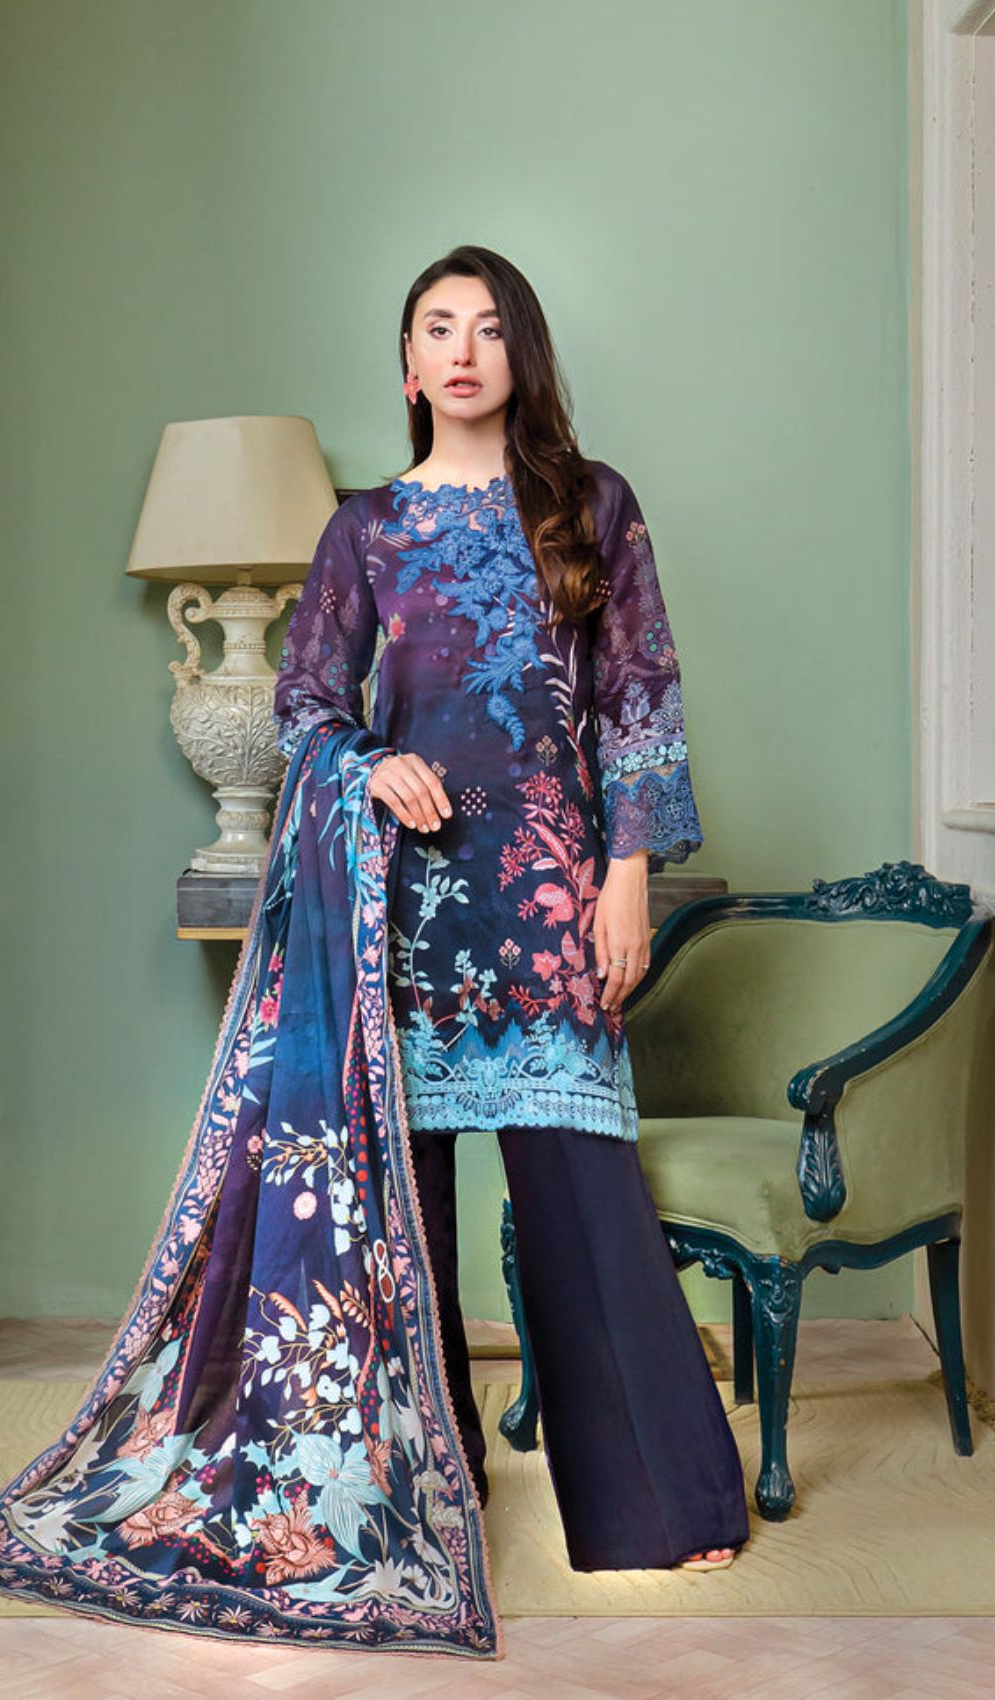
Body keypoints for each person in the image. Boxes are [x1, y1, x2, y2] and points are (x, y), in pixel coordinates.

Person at [271, 242, 749, 1572]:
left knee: (588, 1205)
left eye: (489, 327)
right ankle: (427, 1506)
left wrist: (628, 870)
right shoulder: (366, 530)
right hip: (405, 911)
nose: (465, 350)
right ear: (408, 367)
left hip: (550, 902)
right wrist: (367, 764)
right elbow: (303, 702)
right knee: (404, 1219)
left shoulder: (591, 506)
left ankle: (659, 1506)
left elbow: (639, 695)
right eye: (439, 327)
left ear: (520, 355)